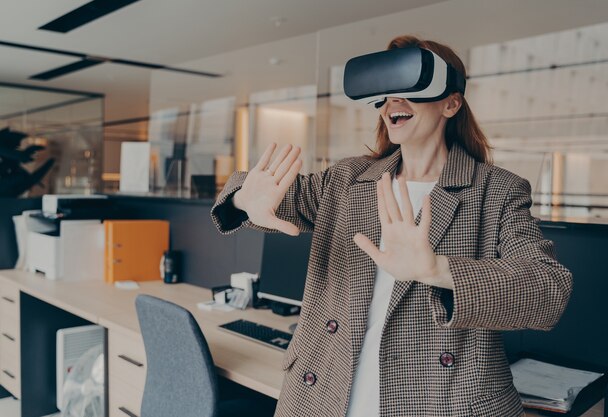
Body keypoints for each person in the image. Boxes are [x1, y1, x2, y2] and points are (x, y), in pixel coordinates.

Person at [210, 35, 573, 417]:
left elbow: (548, 290)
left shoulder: (497, 191)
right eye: (384, 94)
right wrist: (243, 199)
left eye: (409, 88)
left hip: (441, 404)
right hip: (327, 394)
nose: (391, 103)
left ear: (451, 103)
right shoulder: (348, 180)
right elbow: (253, 193)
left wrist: (438, 270)